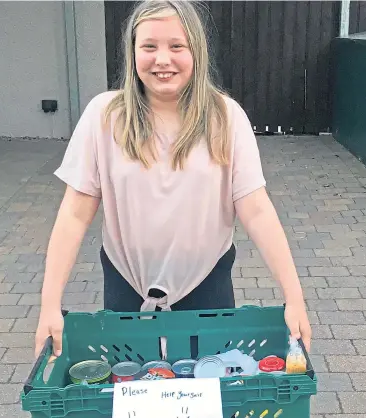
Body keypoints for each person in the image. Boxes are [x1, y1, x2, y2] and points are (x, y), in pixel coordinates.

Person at [34, 0, 312, 360]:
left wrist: (294, 297)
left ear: (196, 49)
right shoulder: (104, 116)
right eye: (149, 46)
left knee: (207, 395)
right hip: (126, 286)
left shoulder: (225, 118)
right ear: (132, 51)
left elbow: (256, 210)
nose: (162, 59)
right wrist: (49, 306)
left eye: (176, 46)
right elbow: (74, 213)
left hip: (206, 286)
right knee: (132, 395)